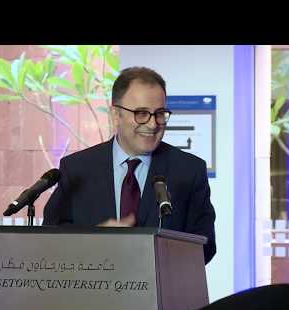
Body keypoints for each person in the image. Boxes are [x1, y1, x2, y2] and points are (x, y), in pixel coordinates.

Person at [43, 66, 216, 264]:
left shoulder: (188, 171)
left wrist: (156, 255)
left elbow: (206, 246)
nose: (153, 124)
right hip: (94, 292)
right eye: (141, 113)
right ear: (115, 115)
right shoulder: (77, 169)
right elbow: (50, 238)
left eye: (160, 113)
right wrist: (93, 242)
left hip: (161, 292)